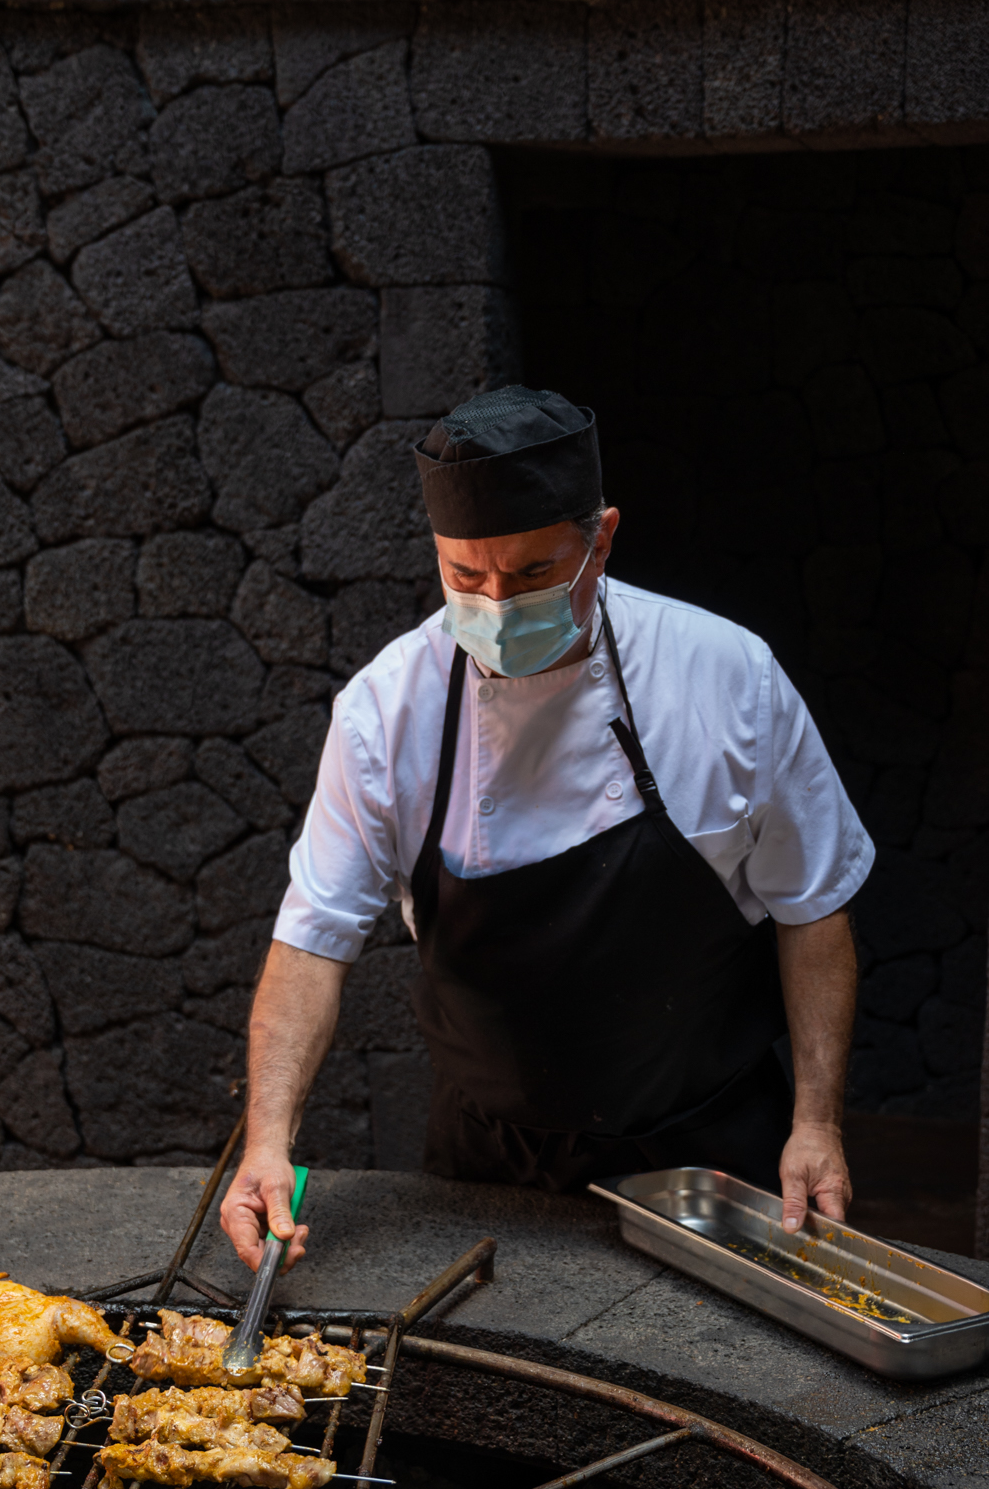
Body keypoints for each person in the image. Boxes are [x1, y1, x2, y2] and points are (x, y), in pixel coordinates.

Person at [221, 385, 873, 1271]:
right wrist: (267, 1140)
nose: (494, 605)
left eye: (529, 575)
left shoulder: (727, 677)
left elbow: (812, 909)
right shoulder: (385, 710)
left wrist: (817, 1124)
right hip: (487, 1165)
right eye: (464, 578)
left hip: (712, 1152)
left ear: (598, 540)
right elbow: (312, 938)